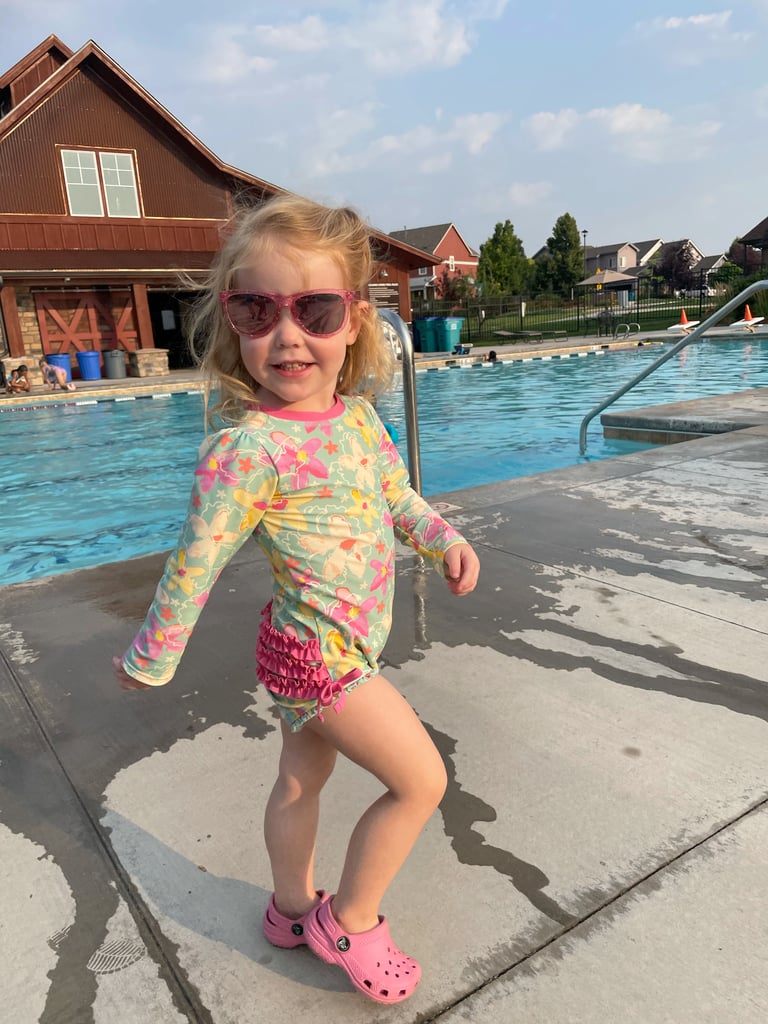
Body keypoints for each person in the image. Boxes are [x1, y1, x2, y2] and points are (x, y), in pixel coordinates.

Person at [113, 194, 480, 1005]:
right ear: (229, 322)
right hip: (320, 658)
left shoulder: (357, 421)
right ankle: (348, 919)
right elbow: (194, 563)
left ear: (353, 322)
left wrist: (443, 537)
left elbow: (396, 497)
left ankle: (287, 910)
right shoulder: (246, 452)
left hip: (313, 644)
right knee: (421, 782)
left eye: (313, 309)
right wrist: (152, 655)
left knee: (298, 782)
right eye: (256, 308)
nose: (286, 335)